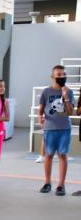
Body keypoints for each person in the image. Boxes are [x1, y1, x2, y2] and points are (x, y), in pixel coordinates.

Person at [39, 65, 73, 196]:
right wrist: (39, 118)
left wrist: (66, 97)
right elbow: (41, 108)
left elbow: (70, 112)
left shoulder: (68, 91)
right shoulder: (46, 91)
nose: (61, 77)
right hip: (50, 128)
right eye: (59, 75)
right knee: (49, 155)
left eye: (63, 74)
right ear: (53, 77)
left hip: (64, 128)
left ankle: (61, 185)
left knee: (63, 155)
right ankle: (47, 182)